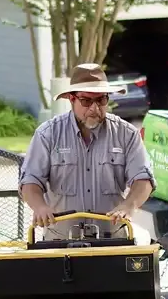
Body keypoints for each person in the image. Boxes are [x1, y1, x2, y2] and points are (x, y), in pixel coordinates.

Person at [19, 63, 156, 241]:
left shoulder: (126, 134)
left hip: (112, 240)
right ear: (71, 99)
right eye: (86, 101)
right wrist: (40, 207)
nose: (94, 108)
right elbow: (30, 181)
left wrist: (129, 205)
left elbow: (143, 179)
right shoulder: (48, 134)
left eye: (101, 100)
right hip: (60, 241)